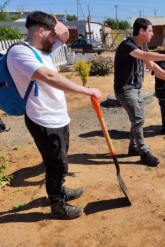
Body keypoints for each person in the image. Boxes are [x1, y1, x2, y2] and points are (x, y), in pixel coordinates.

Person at [7, 11, 102, 219]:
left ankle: (60, 190)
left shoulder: (44, 50)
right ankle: (57, 204)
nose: (55, 41)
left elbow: (64, 39)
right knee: (55, 164)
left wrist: (64, 32)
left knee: (61, 160)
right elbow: (49, 76)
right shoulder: (20, 53)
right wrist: (86, 90)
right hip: (43, 119)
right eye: (52, 36)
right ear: (41, 31)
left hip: (58, 117)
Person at [114, 18, 165, 167]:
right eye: (150, 30)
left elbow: (152, 65)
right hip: (125, 89)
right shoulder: (127, 45)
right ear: (141, 31)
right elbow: (146, 57)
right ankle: (144, 154)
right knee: (138, 120)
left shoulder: (141, 47)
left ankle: (133, 148)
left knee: (139, 120)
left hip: (136, 88)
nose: (152, 34)